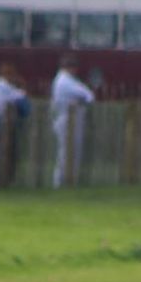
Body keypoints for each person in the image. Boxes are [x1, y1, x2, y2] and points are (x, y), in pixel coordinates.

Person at [49, 55, 95, 188]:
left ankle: (68, 179)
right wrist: (83, 100)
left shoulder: (66, 80)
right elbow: (88, 95)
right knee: (66, 151)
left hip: (69, 118)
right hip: (67, 120)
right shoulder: (64, 81)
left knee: (70, 150)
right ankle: (61, 181)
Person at [0, 63, 28, 188]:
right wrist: (22, 86)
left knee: (1, 152)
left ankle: (1, 178)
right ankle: (1, 179)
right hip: (1, 123)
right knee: (2, 152)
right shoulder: (3, 87)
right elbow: (21, 96)